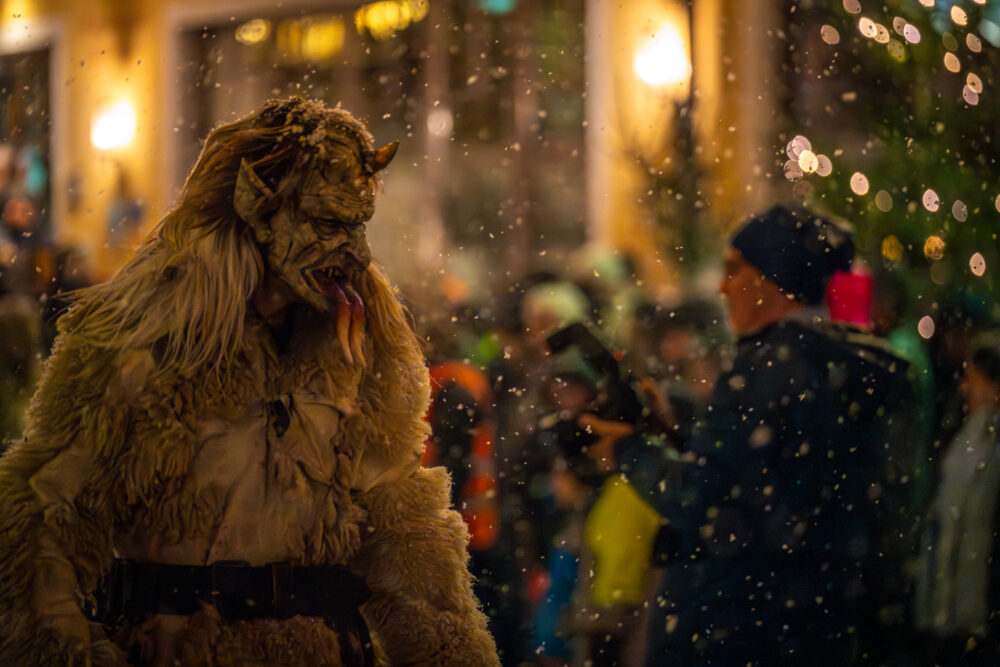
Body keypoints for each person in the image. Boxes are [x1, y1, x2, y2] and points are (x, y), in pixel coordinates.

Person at [0, 98, 499, 666]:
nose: (357, 253)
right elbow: (42, 523)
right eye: (330, 223)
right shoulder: (133, 348)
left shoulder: (355, 355)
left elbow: (404, 534)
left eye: (359, 226)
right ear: (254, 205)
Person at [599, 205, 909, 665]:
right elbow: (763, 477)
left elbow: (699, 498)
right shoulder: (847, 365)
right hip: (817, 627)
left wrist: (625, 449)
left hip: (739, 629)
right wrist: (681, 435)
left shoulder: (767, 367)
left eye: (733, 271)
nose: (723, 287)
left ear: (768, 280)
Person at [916, 335, 1000, 664]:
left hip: (972, 610)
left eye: (974, 379)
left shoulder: (981, 441)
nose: (965, 388)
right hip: (959, 609)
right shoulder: (968, 434)